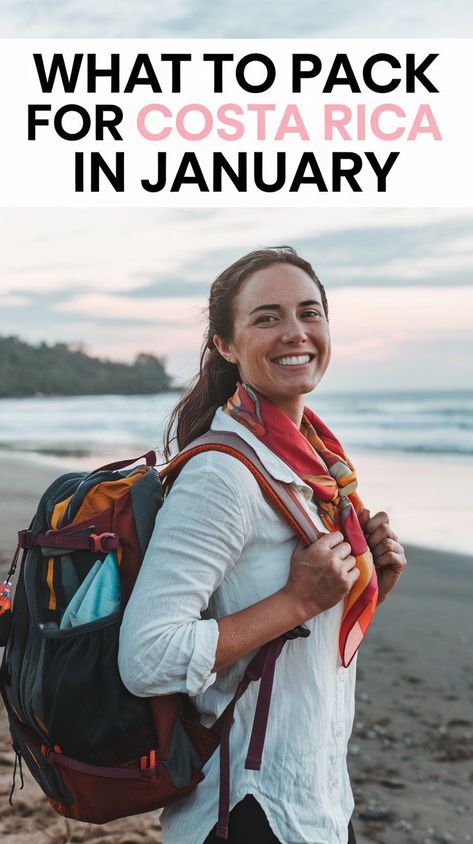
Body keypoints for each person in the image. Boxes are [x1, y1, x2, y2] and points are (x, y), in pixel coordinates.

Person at [118, 246, 407, 844]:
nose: (295, 332)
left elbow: (297, 656)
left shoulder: (318, 467)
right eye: (267, 317)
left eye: (309, 312)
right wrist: (299, 601)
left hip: (320, 797)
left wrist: (366, 582)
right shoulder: (221, 476)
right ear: (226, 344)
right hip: (246, 808)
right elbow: (146, 658)